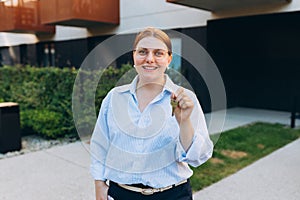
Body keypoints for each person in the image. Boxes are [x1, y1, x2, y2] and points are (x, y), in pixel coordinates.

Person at [90, 27, 214, 200]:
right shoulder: (114, 98)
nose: (149, 59)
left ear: (168, 58)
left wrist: (184, 122)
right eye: (142, 52)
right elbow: (99, 146)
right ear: (134, 56)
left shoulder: (185, 100)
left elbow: (198, 157)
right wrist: (99, 186)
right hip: (121, 194)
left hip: (173, 195)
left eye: (158, 53)